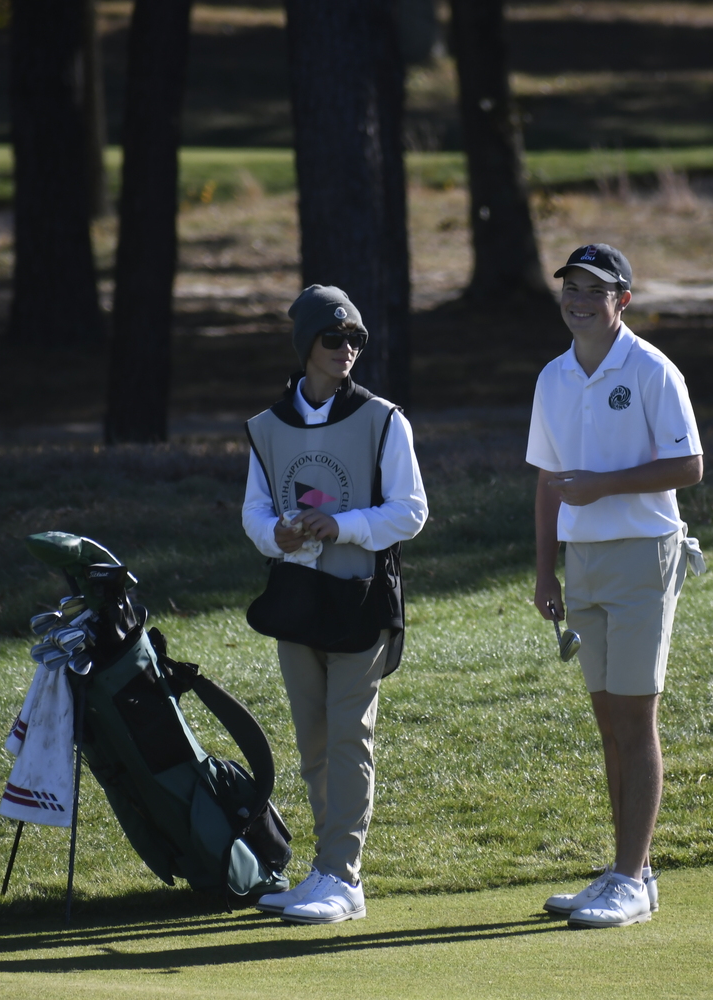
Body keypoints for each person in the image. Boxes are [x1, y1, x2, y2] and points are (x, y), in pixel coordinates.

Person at [527, 244, 705, 929]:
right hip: (584, 561)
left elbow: (689, 464)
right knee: (609, 725)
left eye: (593, 290)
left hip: (642, 556)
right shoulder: (553, 377)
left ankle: (630, 878)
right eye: (569, 287)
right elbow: (546, 480)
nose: (577, 300)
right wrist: (546, 571)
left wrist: (603, 486)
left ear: (622, 300)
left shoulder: (653, 369)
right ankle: (632, 871)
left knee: (636, 720)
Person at [241, 284, 429, 924]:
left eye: (356, 340)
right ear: (306, 347)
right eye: (334, 338)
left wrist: (340, 526)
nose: (347, 349)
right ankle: (325, 870)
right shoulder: (266, 428)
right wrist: (279, 534)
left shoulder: (384, 419)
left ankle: (343, 878)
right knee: (315, 742)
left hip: (361, 601)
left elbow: (411, 513)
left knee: (350, 738)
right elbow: (255, 512)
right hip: (297, 599)